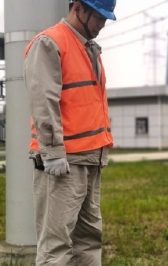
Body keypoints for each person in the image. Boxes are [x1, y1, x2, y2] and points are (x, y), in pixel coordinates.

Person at [23, 0, 116, 265]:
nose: (102, 24)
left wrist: (100, 153)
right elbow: (44, 101)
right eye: (99, 17)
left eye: (106, 18)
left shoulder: (90, 49)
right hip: (63, 163)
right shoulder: (50, 43)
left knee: (88, 239)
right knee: (56, 245)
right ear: (78, 8)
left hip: (89, 159)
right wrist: (52, 152)